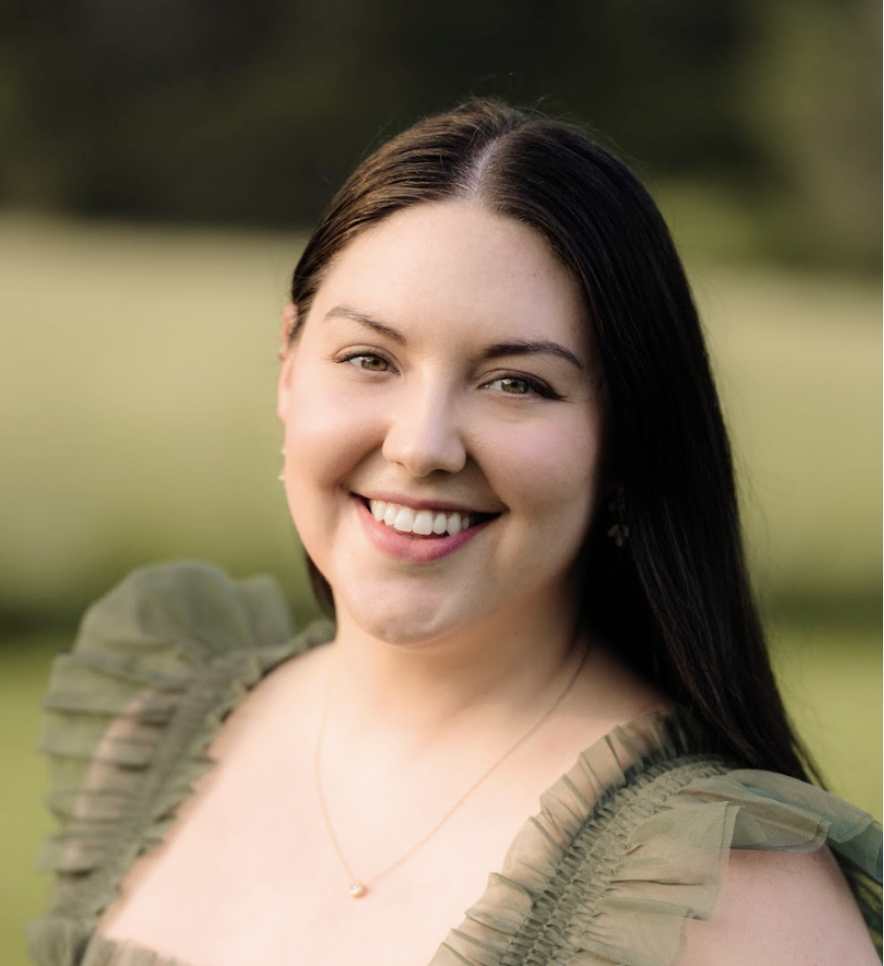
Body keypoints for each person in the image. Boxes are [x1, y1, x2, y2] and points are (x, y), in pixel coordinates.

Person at [29, 99, 881, 966]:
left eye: (517, 383)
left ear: (627, 440)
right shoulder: (153, 754)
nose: (422, 446)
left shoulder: (727, 893)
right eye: (370, 359)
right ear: (288, 366)